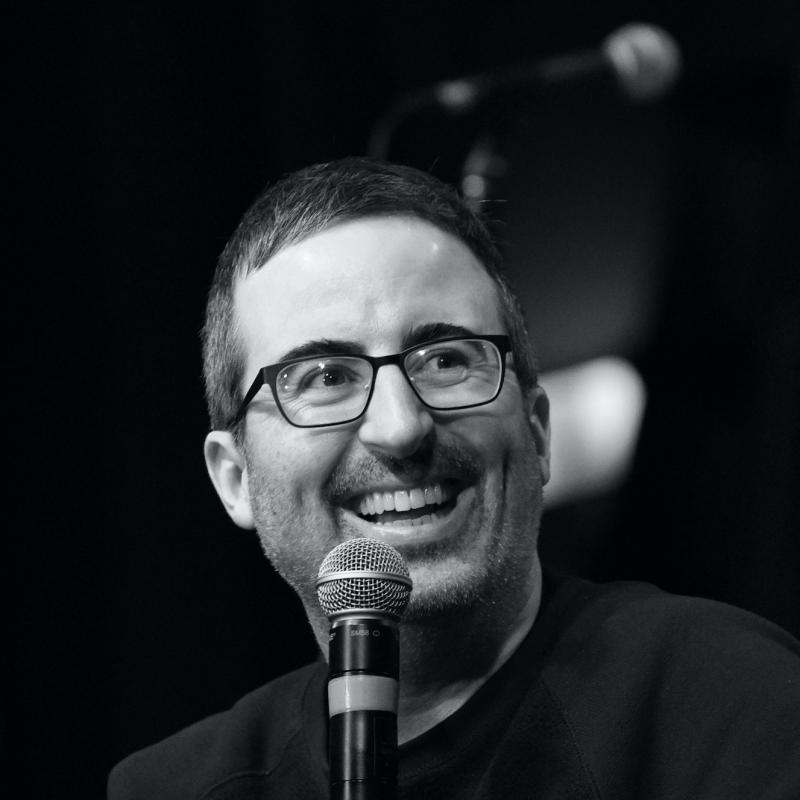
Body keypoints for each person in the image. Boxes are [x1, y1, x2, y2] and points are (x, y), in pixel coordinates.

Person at [109, 157, 800, 799]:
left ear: (535, 432)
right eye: (324, 377)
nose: (401, 426)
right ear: (234, 478)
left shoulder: (735, 708)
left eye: (444, 360)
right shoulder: (172, 787)